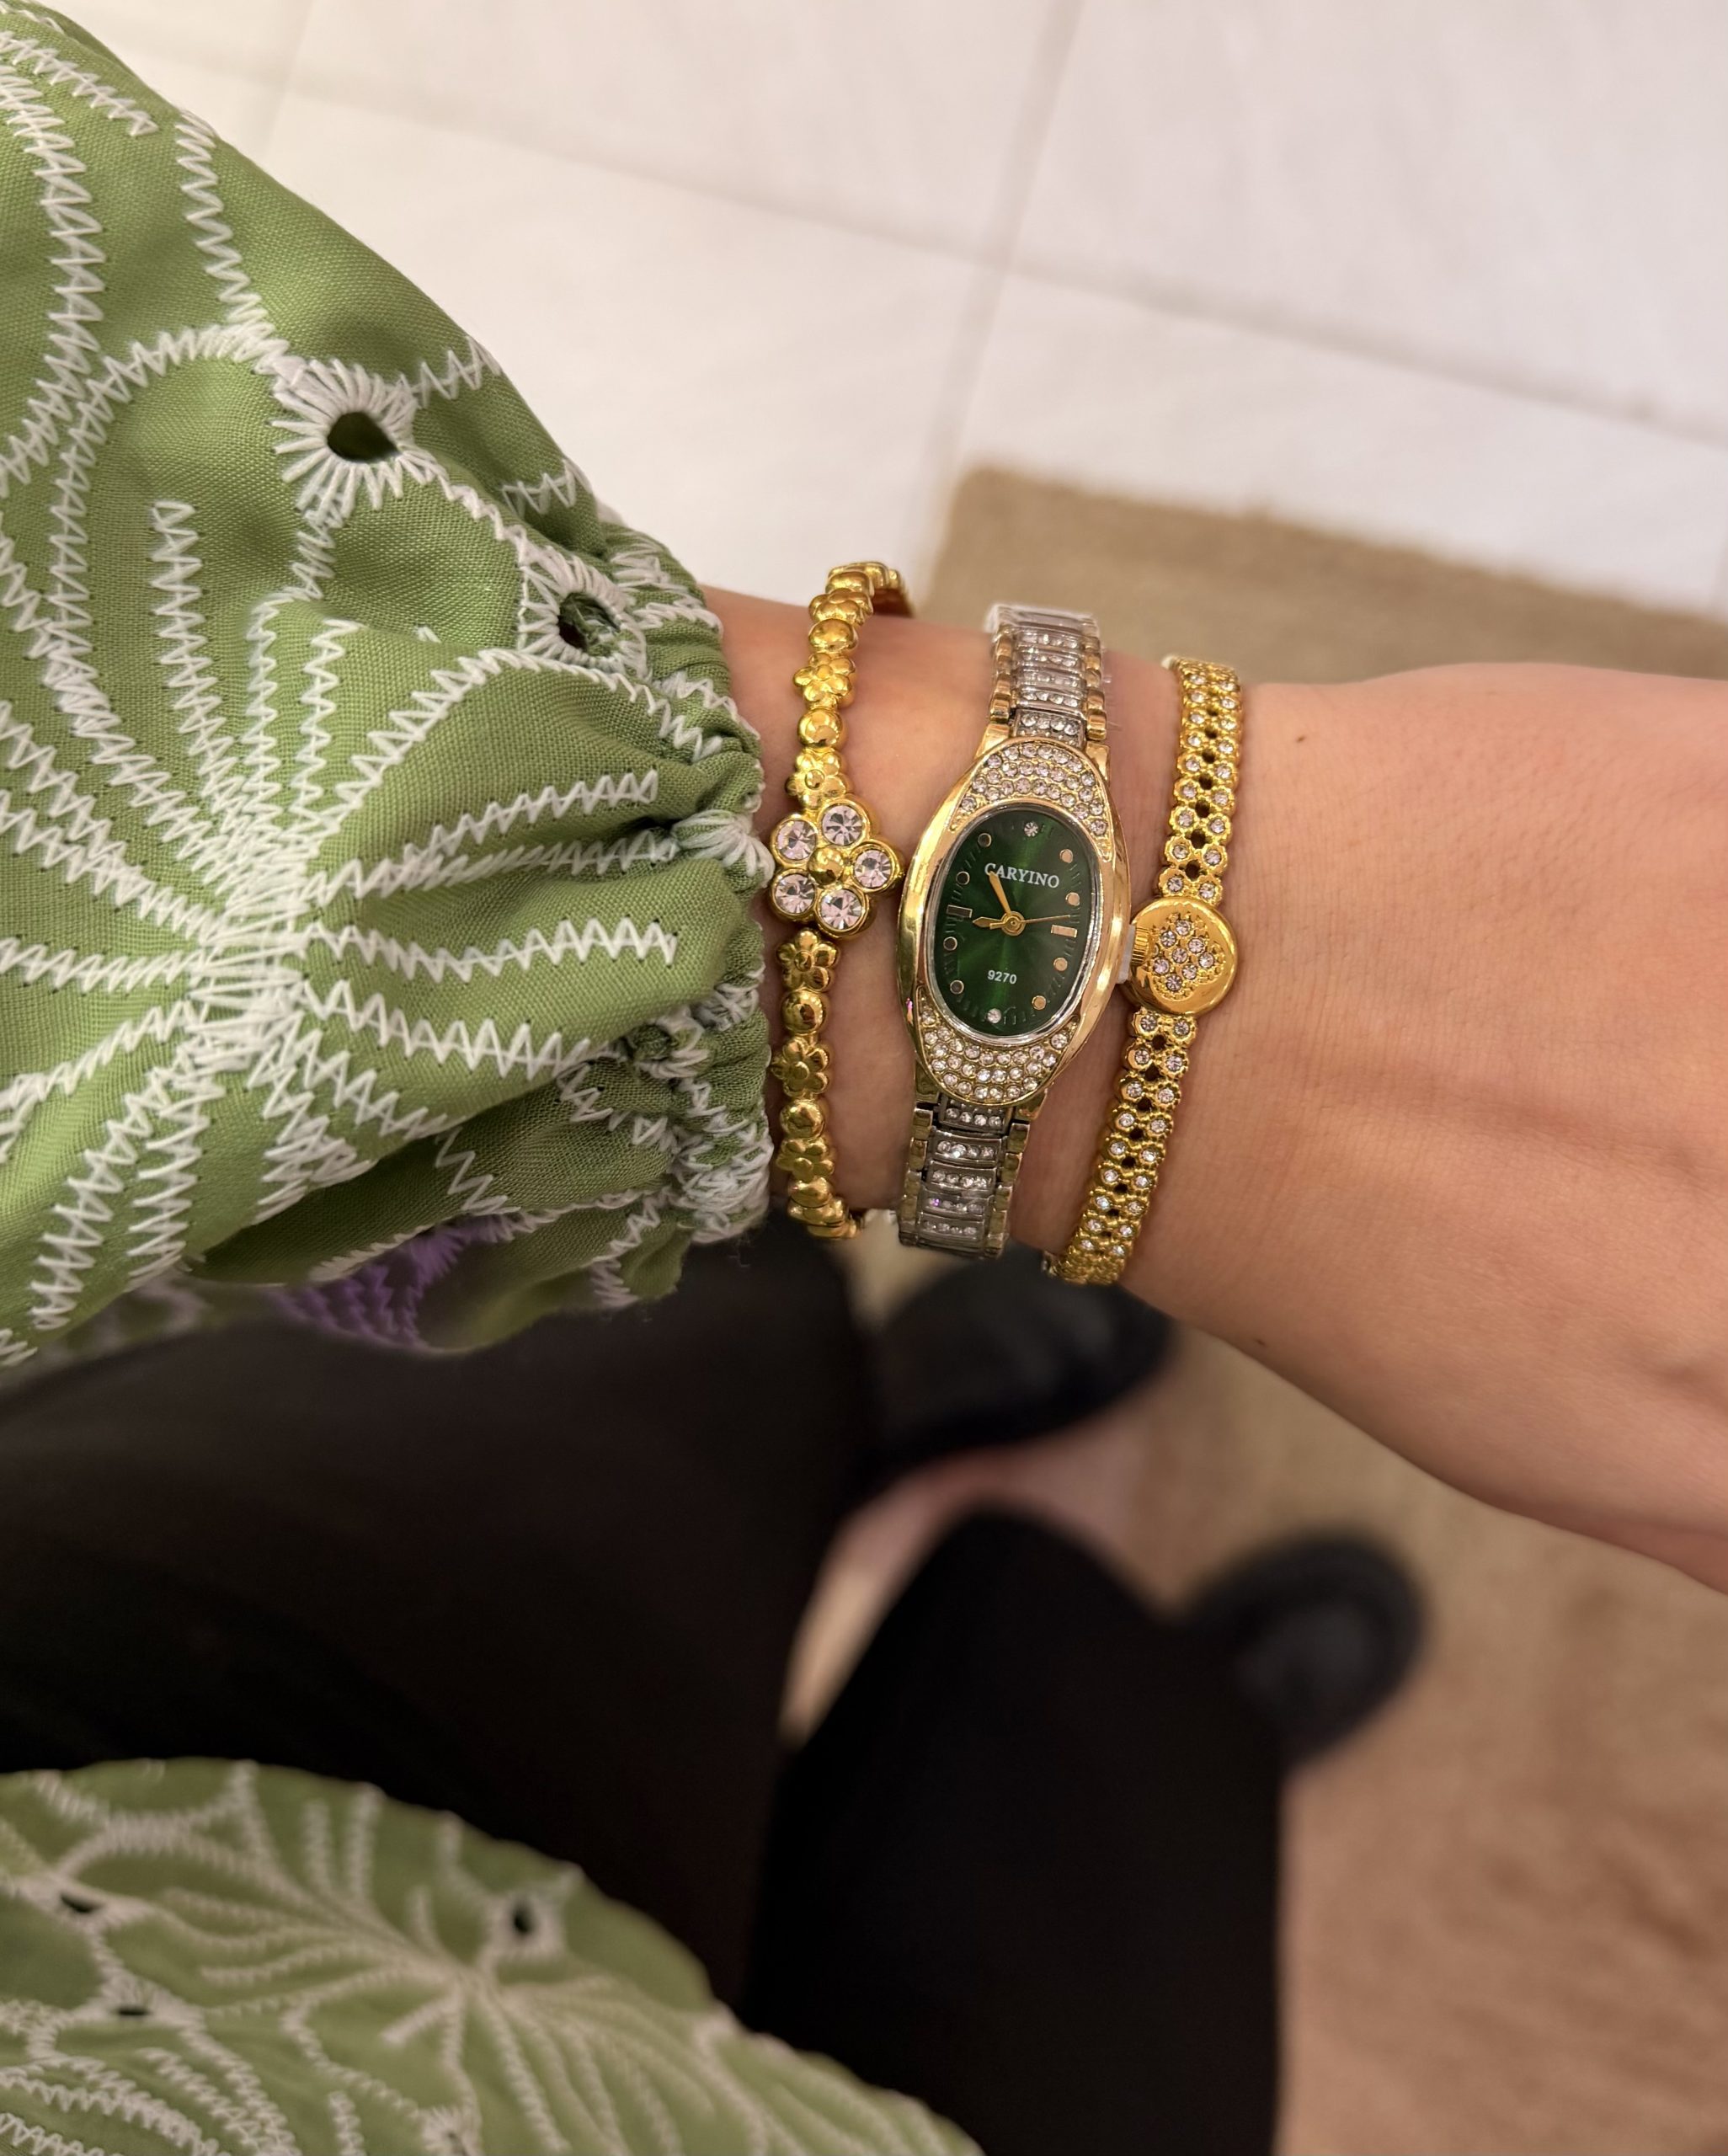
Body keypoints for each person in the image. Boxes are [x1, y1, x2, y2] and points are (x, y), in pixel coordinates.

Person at [0, 11, 1722, 2153]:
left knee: (674, 1354)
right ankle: (1134, 1701)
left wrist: (1165, 930)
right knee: (1103, 1865)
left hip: (133, 1819)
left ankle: (874, 1414)